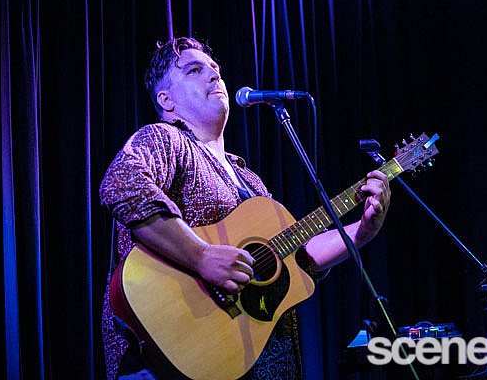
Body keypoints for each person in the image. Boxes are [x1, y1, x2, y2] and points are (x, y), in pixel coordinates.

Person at [99, 37, 391, 380]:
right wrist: (201, 256)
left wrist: (361, 231)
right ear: (166, 100)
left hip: (251, 359)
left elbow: (298, 258)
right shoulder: (164, 140)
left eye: (214, 69)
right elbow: (122, 183)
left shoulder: (249, 179)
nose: (214, 75)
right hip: (174, 354)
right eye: (194, 71)